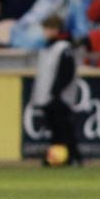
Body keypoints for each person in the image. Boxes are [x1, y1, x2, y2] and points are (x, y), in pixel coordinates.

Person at [30, 14, 82, 166]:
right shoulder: (47, 48)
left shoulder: (63, 48)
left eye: (47, 28)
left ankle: (68, 158)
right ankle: (66, 157)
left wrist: (56, 92)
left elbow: (66, 72)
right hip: (47, 96)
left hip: (59, 97)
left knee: (62, 130)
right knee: (57, 129)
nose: (44, 32)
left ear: (55, 29)